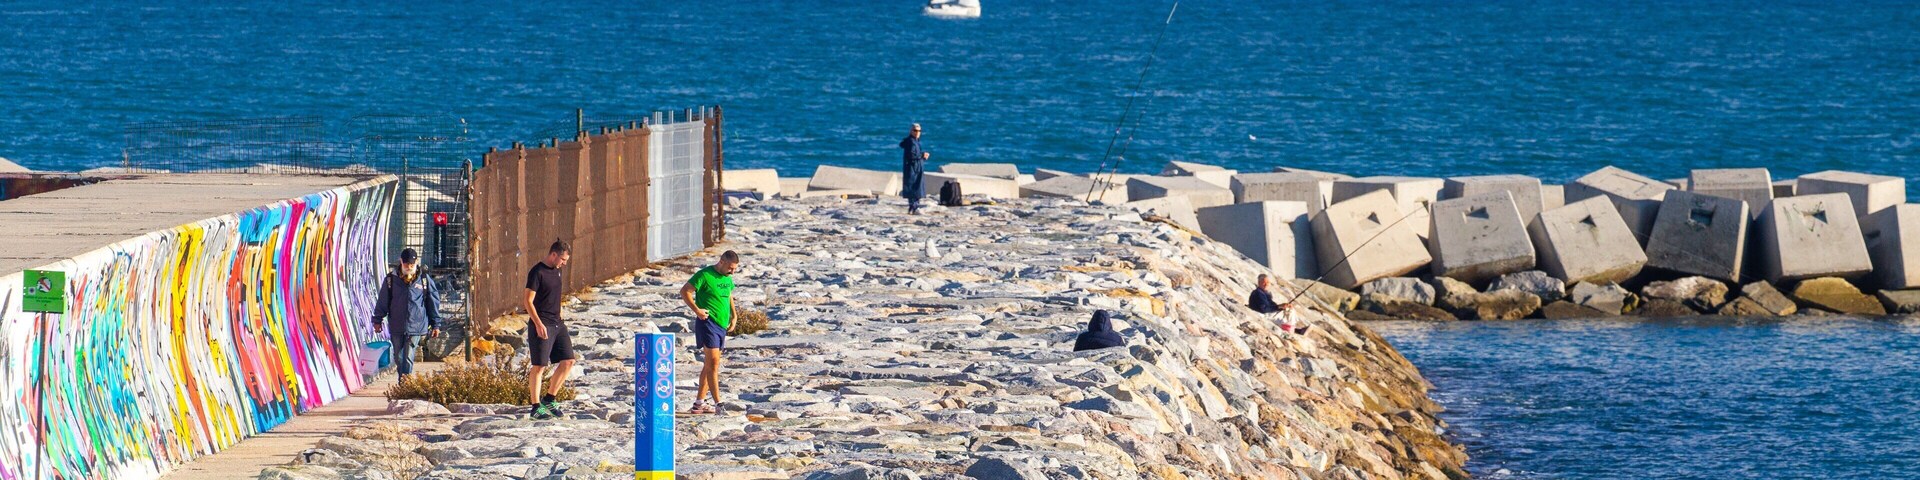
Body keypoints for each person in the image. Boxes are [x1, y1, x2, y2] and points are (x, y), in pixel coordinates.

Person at [681, 250, 741, 414]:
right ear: (721, 261)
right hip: (707, 323)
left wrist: (734, 316)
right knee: (713, 364)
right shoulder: (704, 275)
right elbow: (685, 291)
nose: (732, 272)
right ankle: (719, 404)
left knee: (709, 364)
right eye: (730, 268)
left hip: (721, 325)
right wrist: (697, 310)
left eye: (735, 269)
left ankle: (699, 404)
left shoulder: (727, 278)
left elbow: (728, 296)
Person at [372, 248, 442, 378]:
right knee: (398, 356)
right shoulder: (390, 280)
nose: (409, 267)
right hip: (396, 324)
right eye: (406, 265)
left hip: (416, 325)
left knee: (408, 355)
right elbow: (383, 301)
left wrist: (436, 324)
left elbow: (433, 302)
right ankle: (402, 378)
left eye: (412, 265)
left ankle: (405, 381)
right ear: (401, 262)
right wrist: (377, 320)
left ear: (416, 263)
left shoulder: (424, 280)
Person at [525, 240, 575, 420]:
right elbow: (528, 301)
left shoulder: (558, 271)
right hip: (541, 323)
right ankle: (535, 406)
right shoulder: (537, 272)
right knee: (539, 365)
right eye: (562, 259)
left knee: (568, 361)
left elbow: (554, 296)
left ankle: (550, 398)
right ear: (553, 254)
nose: (564, 263)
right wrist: (538, 324)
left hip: (557, 323)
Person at [899, 123, 930, 215]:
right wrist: (922, 155)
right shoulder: (911, 142)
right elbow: (912, 155)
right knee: (913, 187)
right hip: (913, 168)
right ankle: (914, 207)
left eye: (919, 131)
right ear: (911, 131)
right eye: (915, 130)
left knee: (916, 187)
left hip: (916, 167)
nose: (917, 132)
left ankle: (914, 207)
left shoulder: (915, 141)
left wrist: (922, 156)